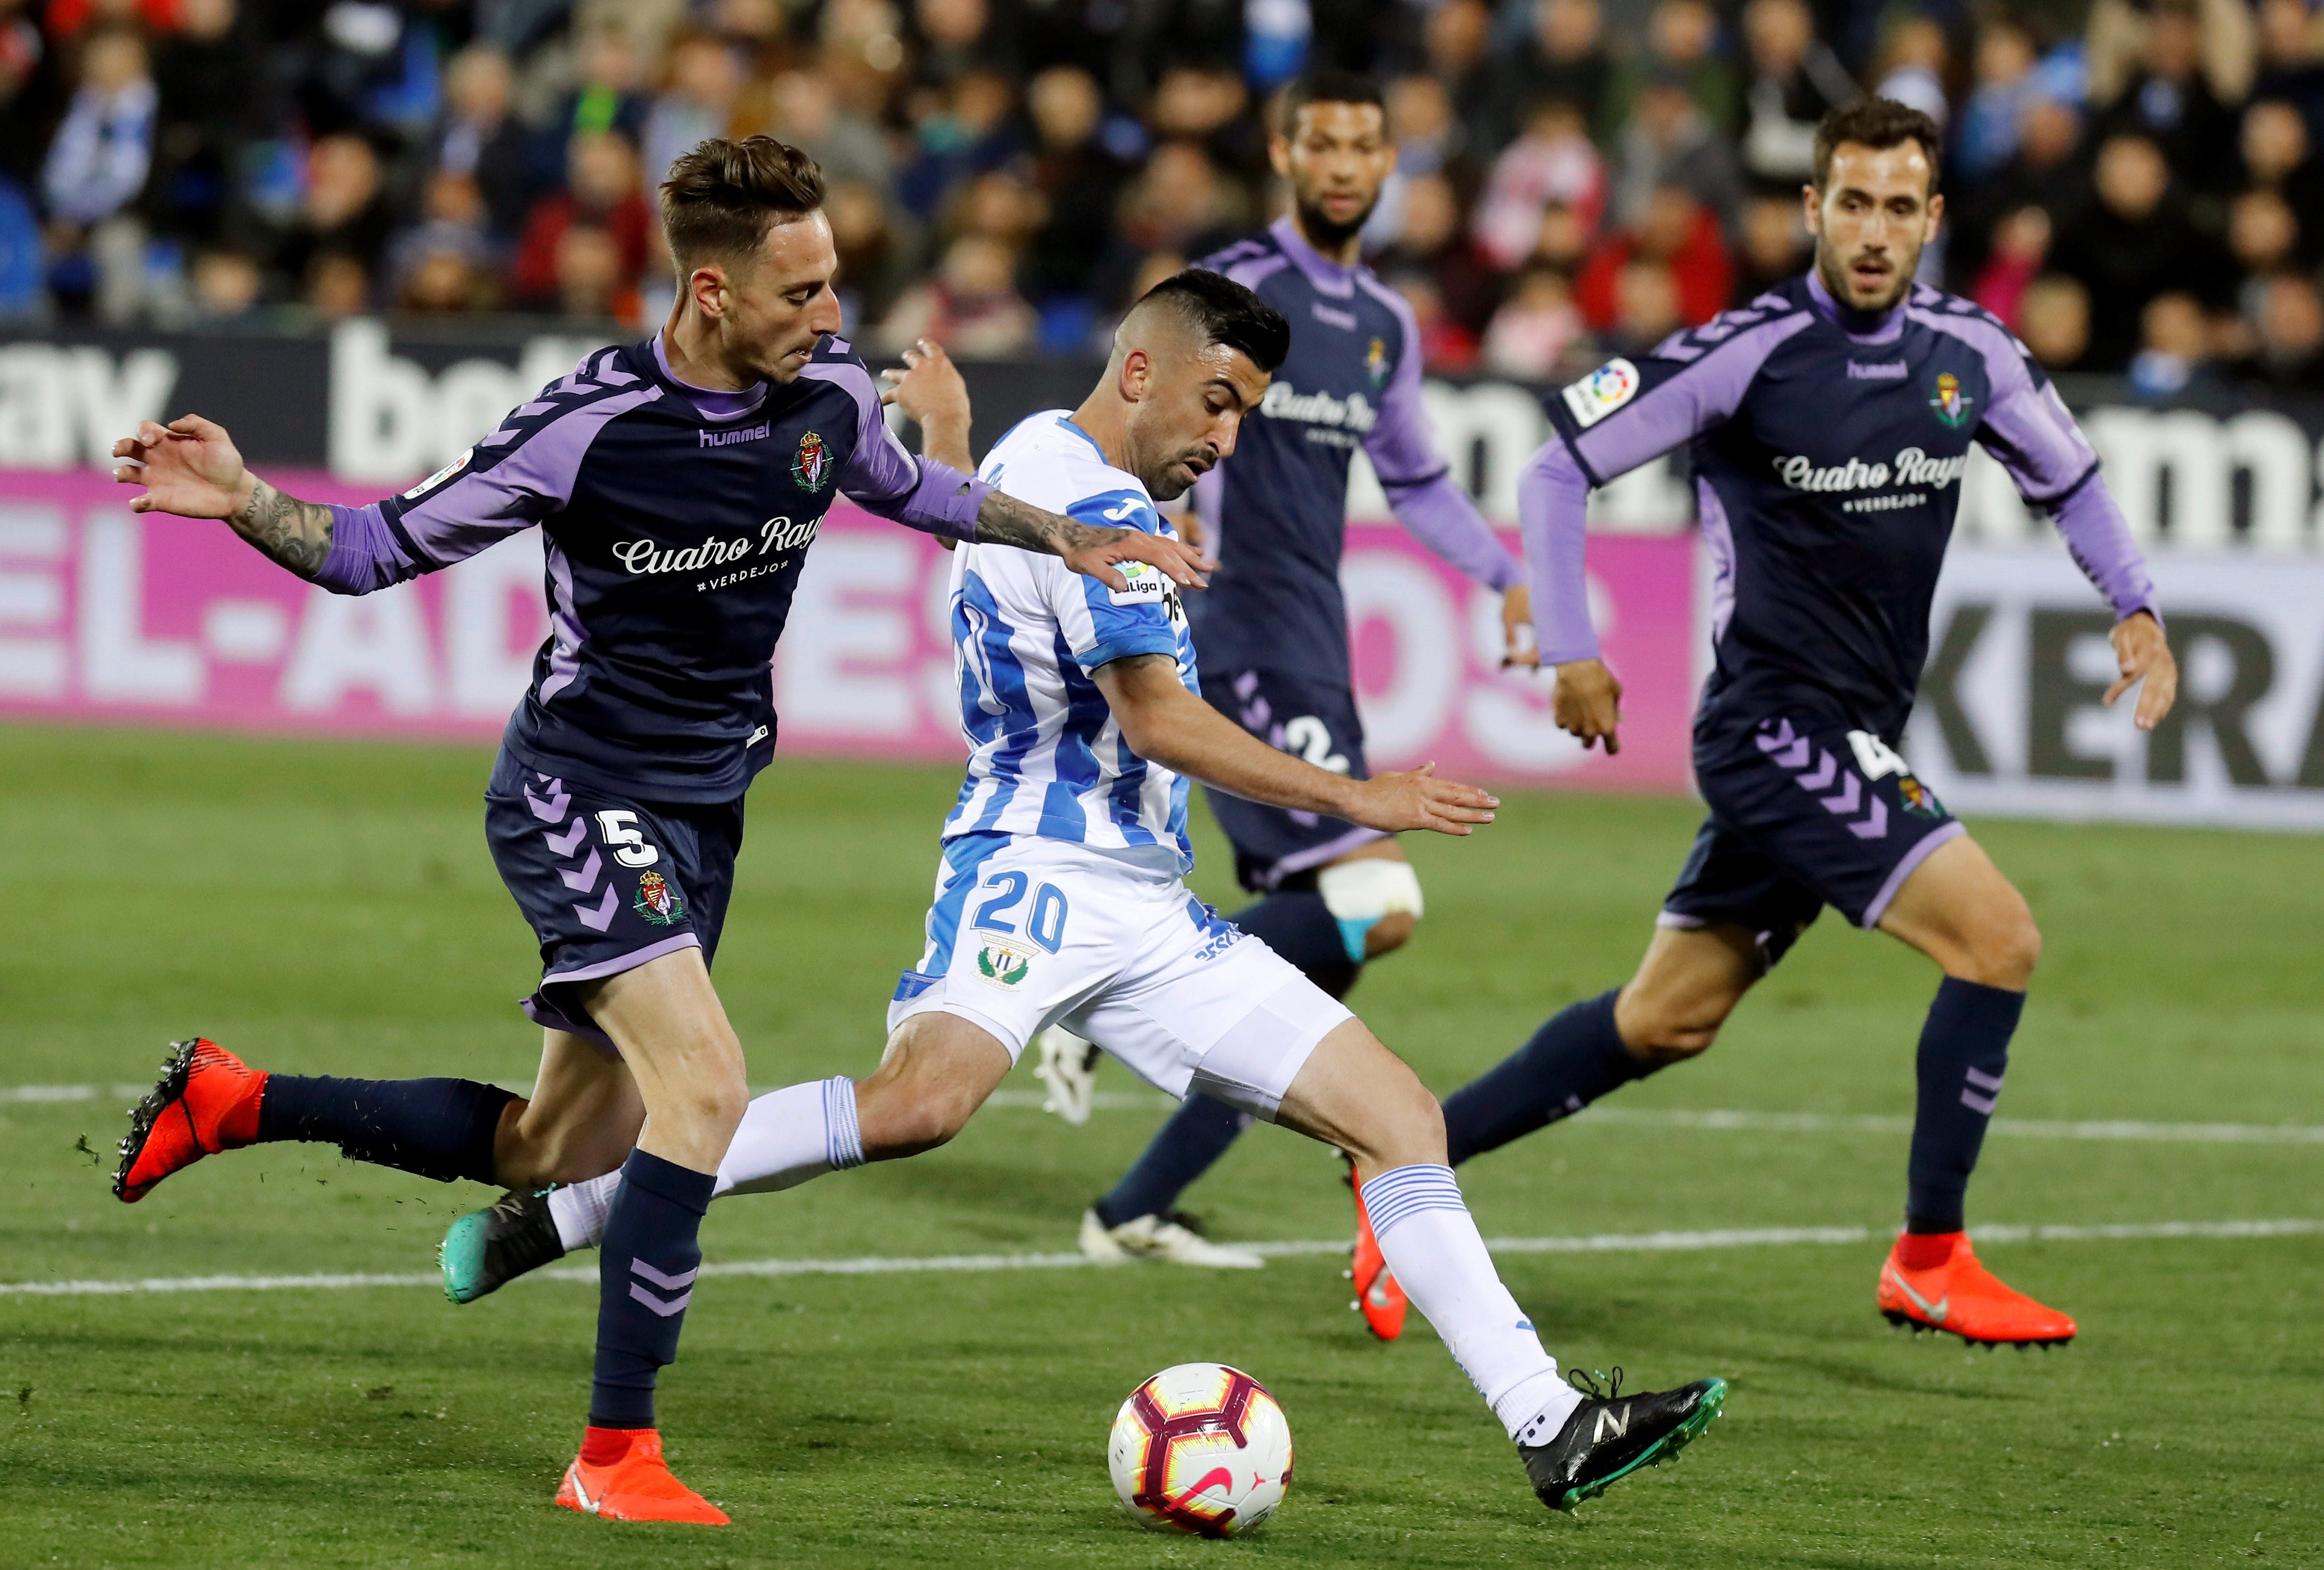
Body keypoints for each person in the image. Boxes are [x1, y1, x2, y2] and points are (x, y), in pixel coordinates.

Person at [439, 268, 1729, 1515]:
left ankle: (1550, 1421)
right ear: (1140, 370)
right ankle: (590, 1204)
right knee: (919, 1106)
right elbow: (1158, 718)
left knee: (1398, 1115)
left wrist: (946, 432)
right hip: (1033, 872)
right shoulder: (1093, 505)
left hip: (1146, 901)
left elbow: (981, 525)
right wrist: (1358, 798)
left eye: (1248, 415)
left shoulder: (1042, 460)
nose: (1228, 437)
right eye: (1217, 402)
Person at [103, 135, 1208, 1527]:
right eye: (801, 291)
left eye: (834, 284)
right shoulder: (589, 424)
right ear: (707, 289)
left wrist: (1072, 538)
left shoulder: (824, 400)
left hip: (704, 809)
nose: (830, 315)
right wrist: (246, 502)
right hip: (576, 788)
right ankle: (613, 1454)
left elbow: (921, 492)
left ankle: (236, 1098)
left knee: (558, 1150)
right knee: (707, 1090)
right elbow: (375, 549)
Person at [1366, 98, 2181, 1350]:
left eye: (1898, 207)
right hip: (1773, 730)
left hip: (1848, 734)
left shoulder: (1976, 353)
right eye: (1850, 203)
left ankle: (1403, 1167)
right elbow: (1557, 464)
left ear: (1933, 220)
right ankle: (1930, 1256)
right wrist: (1573, 647)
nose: (1872, 231)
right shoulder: (1749, 349)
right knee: (1999, 939)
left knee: (1666, 1017)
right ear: (1813, 208)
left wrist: (2135, 605)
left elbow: (2070, 480)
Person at [1045, 70, 1537, 1306]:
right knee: (1374, 894)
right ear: (1282, 151)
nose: (1344, 165)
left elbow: (1418, 480)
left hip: (1311, 628)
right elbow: (1131, 418)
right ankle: (1098, 997)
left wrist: (1505, 576)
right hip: (1237, 617)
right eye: (1322, 142)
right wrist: (1143, 527)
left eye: (1367, 146)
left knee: (1330, 945)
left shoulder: (1383, 319)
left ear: (1390, 165)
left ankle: (1135, 1199)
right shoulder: (1224, 294)